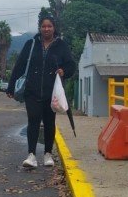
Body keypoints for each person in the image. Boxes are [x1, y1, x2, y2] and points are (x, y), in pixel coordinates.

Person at [7, 15, 76, 168]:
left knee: (50, 122)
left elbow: (71, 65)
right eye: (44, 26)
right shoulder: (31, 44)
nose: (46, 29)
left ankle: (48, 154)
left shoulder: (61, 46)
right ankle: (31, 155)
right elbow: (19, 65)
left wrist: (64, 71)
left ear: (54, 28)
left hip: (52, 93)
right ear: (40, 28)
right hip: (32, 90)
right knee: (33, 120)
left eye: (49, 26)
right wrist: (11, 86)